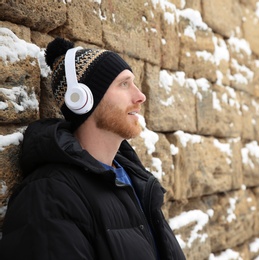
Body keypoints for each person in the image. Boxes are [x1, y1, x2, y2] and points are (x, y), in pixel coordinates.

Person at [0, 37, 186, 260]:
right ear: (81, 98)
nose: (140, 96)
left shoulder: (135, 179)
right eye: (124, 84)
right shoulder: (48, 197)